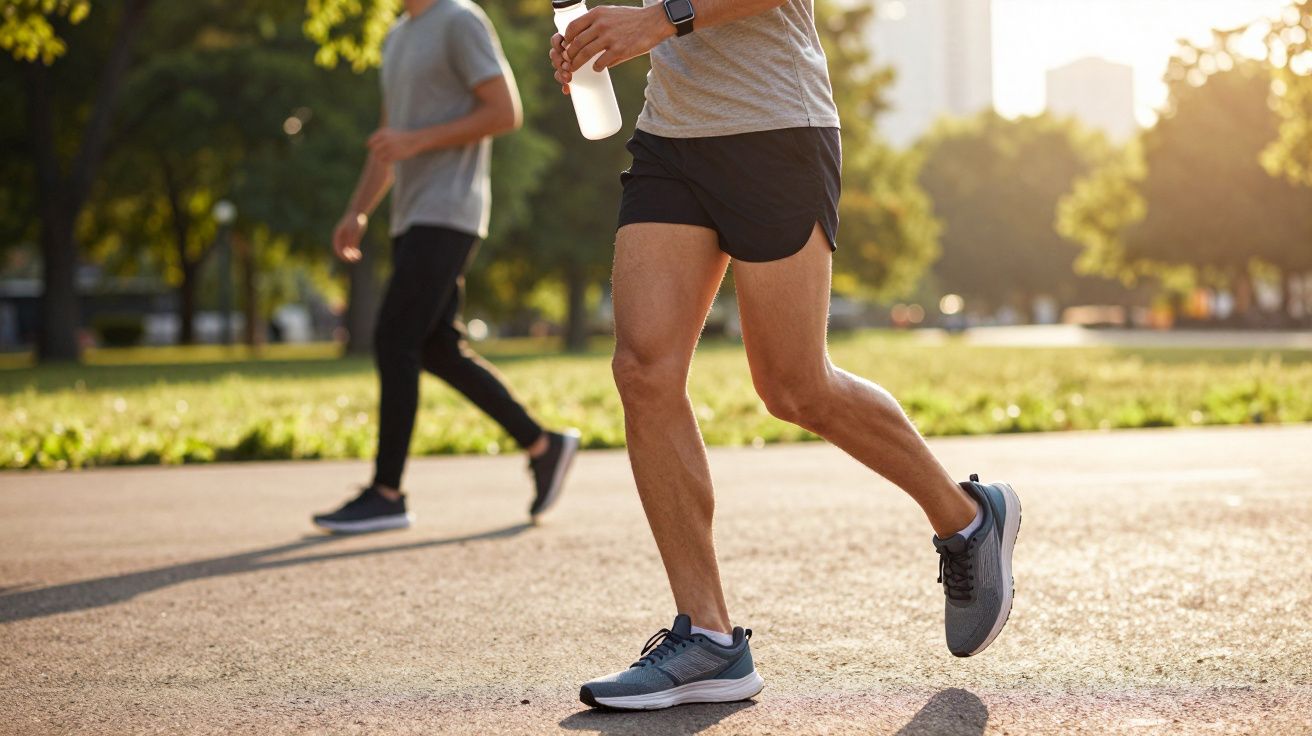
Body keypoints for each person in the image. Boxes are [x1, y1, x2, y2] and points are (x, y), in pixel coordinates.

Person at [549, 0, 1022, 710]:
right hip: (671, 137)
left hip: (777, 127)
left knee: (795, 386)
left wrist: (656, 22)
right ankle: (707, 638)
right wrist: (595, 33)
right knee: (642, 370)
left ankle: (966, 517)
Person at [314, 0, 580, 534]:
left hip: (451, 209)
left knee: (394, 338)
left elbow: (505, 112)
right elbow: (390, 137)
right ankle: (543, 445)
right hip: (411, 214)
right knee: (436, 346)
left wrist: (416, 141)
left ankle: (387, 492)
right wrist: (358, 210)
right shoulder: (395, 37)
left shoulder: (460, 20)